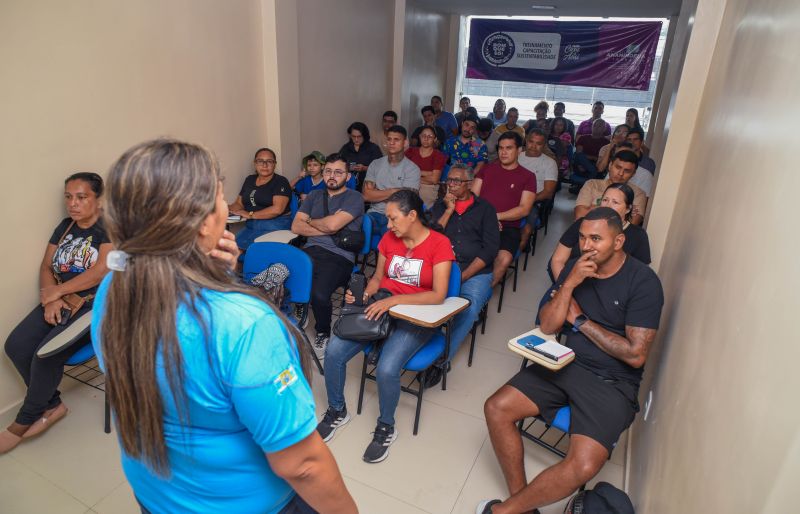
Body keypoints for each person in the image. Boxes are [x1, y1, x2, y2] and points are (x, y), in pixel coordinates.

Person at [92, 139, 357, 514]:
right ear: (204, 224)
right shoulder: (245, 325)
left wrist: (219, 274)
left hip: (157, 497)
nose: (228, 209)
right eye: (221, 199)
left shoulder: (114, 288)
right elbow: (303, 464)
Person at [480, 207, 664, 513]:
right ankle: (521, 505)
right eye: (582, 237)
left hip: (612, 382)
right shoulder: (576, 269)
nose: (586, 245)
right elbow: (549, 326)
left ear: (618, 242)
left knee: (583, 466)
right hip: (565, 363)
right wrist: (569, 283)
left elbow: (635, 354)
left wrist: (580, 322)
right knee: (496, 408)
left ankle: (504, 511)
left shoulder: (643, 282)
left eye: (596, 238)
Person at [318, 190, 454, 463]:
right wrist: (364, 295)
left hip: (417, 315)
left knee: (388, 367)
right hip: (382, 305)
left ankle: (386, 426)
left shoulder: (439, 244)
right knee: (333, 351)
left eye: (392, 218)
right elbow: (378, 277)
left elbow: (439, 294)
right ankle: (337, 410)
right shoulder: (390, 240)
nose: (388, 225)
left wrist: (394, 302)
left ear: (412, 215)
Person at [2, 173, 112, 454]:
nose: (72, 204)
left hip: (92, 305)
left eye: (81, 197)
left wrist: (58, 293)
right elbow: (46, 266)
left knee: (44, 354)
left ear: (98, 199)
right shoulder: (65, 227)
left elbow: (102, 270)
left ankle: (22, 423)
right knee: (15, 346)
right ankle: (53, 405)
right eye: (68, 197)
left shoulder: (110, 227)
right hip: (60, 300)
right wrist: (51, 298)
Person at [291, 154, 364, 354]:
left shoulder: (355, 197)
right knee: (283, 274)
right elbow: (296, 226)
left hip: (339, 255)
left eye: (338, 172)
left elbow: (333, 225)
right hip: (310, 250)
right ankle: (299, 309)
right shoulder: (314, 196)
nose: (332, 176)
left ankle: (323, 331)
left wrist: (311, 221)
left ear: (348, 176)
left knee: (319, 294)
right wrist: (326, 226)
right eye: (328, 171)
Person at [429, 165, 499, 360]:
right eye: (448, 180)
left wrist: (463, 276)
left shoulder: (485, 209)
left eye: (456, 181)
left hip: (475, 271)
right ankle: (424, 345)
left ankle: (442, 359)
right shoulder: (440, 206)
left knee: (469, 308)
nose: (451, 185)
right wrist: (449, 211)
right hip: (442, 267)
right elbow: (431, 238)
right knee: (424, 300)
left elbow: (491, 249)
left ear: (468, 184)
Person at [472, 132, 536, 287]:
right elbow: (473, 197)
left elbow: (524, 209)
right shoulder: (486, 170)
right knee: (466, 251)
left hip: (508, 227)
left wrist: (496, 217)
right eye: (501, 148)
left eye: (509, 148)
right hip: (480, 223)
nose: (503, 152)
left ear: (519, 150)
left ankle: (482, 294)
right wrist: (487, 219)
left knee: (504, 259)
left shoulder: (528, 176)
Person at [550, 183, 651, 280]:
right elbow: (557, 260)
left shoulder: (638, 236)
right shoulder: (583, 224)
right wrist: (564, 287)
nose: (608, 206)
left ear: (628, 209)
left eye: (615, 202)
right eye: (605, 200)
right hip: (571, 280)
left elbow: (640, 275)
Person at [229, 148, 293, 253]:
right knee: (231, 249)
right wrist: (225, 208)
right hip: (252, 225)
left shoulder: (281, 181)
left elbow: (277, 209)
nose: (264, 165)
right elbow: (239, 203)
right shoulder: (249, 180)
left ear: (275, 164)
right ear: (255, 163)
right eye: (260, 161)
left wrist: (250, 214)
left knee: (244, 253)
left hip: (275, 225)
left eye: (269, 161)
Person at [362, 125, 420, 235]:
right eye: (389, 139)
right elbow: (366, 195)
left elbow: (407, 200)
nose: (391, 143)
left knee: (390, 233)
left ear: (405, 142)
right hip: (374, 214)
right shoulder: (375, 164)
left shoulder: (412, 169)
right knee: (359, 224)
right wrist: (395, 191)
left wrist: (378, 192)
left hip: (398, 216)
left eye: (396, 139)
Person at [575, 150, 647, 225]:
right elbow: (580, 217)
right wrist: (621, 212)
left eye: (627, 171)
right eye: (618, 167)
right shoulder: (592, 185)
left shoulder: (638, 194)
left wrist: (594, 208)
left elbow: (631, 226)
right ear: (610, 165)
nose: (621, 173)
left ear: (633, 173)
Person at [518, 129, 559, 249]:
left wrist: (527, 200)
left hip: (534, 201)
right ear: (526, 140)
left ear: (544, 145)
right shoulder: (516, 156)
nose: (533, 146)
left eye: (539, 143)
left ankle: (518, 248)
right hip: (510, 196)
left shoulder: (549, 163)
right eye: (531, 142)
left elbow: (548, 192)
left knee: (527, 223)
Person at [404, 125, 447, 206]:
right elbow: (403, 172)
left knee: (423, 213)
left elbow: (434, 179)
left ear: (435, 139)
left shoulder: (438, 155)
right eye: (423, 135)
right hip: (409, 186)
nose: (426, 138)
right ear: (419, 137)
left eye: (430, 136)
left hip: (428, 189)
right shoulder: (410, 151)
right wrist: (428, 173)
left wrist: (413, 175)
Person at [570, 119, 611, 194]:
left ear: (604, 129)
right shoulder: (583, 138)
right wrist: (591, 159)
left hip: (596, 165)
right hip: (581, 164)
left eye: (599, 126)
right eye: (594, 125)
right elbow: (579, 153)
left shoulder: (607, 142)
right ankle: (589, 183)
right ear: (591, 127)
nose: (596, 127)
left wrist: (592, 159)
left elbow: (603, 159)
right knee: (579, 157)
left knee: (596, 168)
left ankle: (583, 185)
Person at [338, 121, 383, 190]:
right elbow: (338, 164)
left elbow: (381, 168)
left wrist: (365, 168)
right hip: (349, 186)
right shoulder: (346, 148)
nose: (356, 139)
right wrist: (348, 167)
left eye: (359, 136)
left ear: (364, 136)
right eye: (353, 136)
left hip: (368, 186)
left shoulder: (373, 148)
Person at [442, 115, 488, 181]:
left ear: (475, 130)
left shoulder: (480, 144)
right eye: (467, 125)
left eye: (472, 127)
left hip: (470, 181)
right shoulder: (450, 142)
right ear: (462, 123)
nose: (468, 129)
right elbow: (443, 162)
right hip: (450, 179)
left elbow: (480, 165)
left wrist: (466, 179)